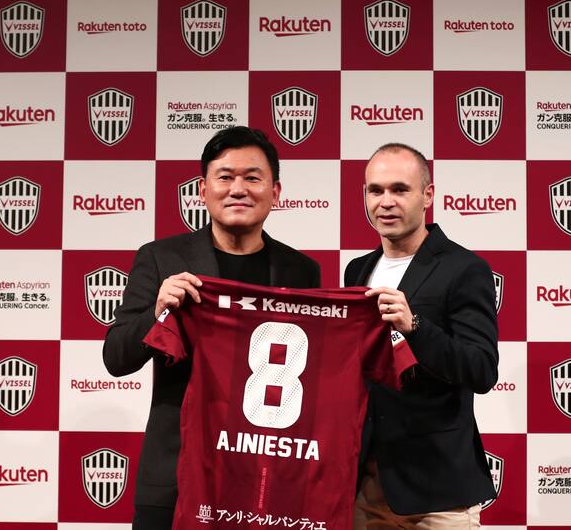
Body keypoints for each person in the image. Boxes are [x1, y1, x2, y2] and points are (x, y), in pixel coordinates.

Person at [103, 126, 321, 530]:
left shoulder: (301, 271)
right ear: (203, 191)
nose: (238, 189)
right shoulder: (160, 259)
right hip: (175, 476)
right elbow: (116, 358)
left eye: (252, 177)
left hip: (263, 478)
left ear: (275, 193)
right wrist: (157, 312)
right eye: (225, 177)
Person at [344, 143, 499, 528]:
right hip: (369, 484)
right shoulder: (357, 270)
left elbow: (481, 370)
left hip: (439, 487)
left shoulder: (465, 269)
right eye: (375, 190)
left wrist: (415, 326)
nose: (386, 201)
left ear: (428, 196)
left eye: (400, 189)